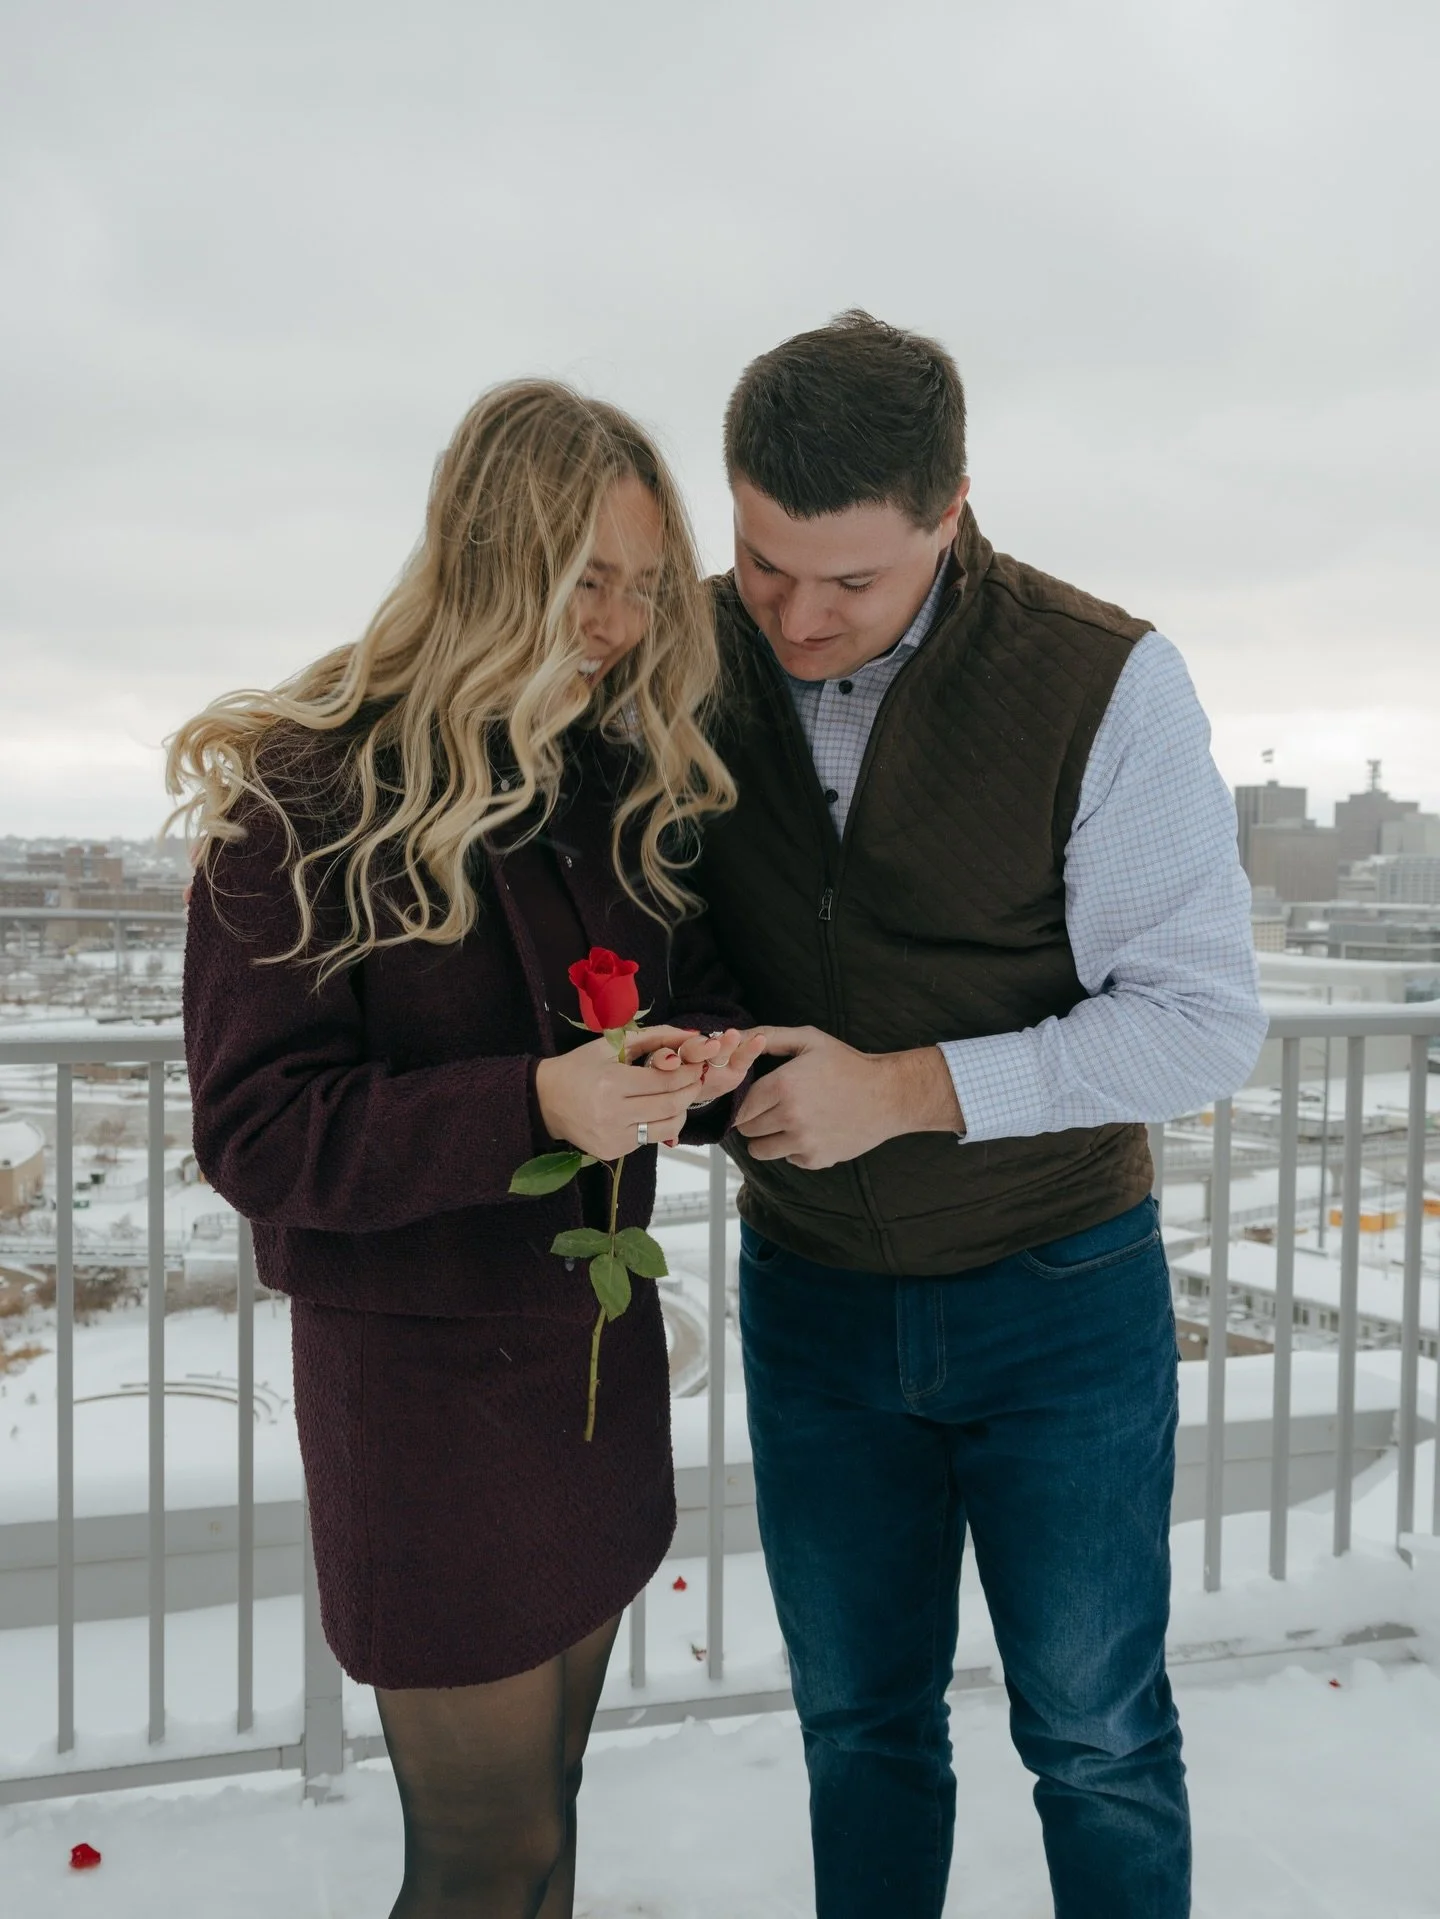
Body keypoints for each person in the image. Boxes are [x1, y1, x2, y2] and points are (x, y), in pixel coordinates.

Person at [694, 312, 1268, 1919]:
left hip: (1059, 1295)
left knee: (1094, 1737)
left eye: (852, 581)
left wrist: (910, 1090)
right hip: (809, 1297)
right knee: (858, 1730)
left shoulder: (1108, 678)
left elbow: (1202, 1021)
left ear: (952, 510)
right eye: (759, 563)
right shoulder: (682, 652)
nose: (797, 617)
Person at [172, 380, 761, 1919]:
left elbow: (669, 994)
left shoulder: (603, 784)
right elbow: (257, 1129)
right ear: (492, 558)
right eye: (589, 580)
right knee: (484, 1854)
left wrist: (692, 1056)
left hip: (587, 1381)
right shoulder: (305, 795)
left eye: (644, 586)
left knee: (550, 1822)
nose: (623, 622)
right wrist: (536, 1105)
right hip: (427, 1408)